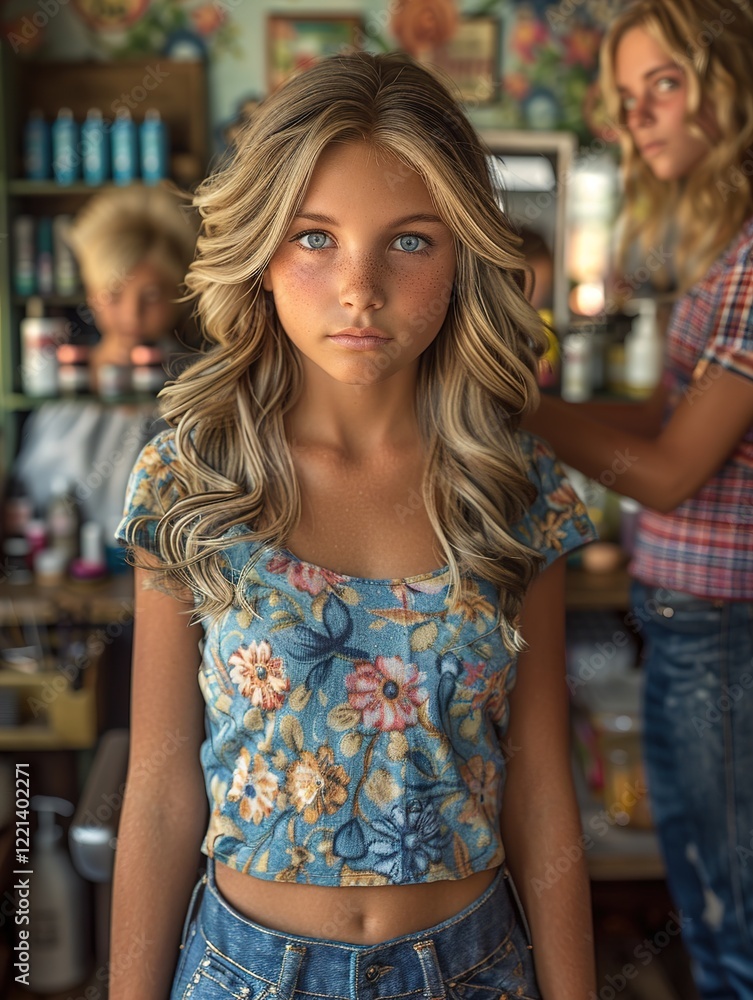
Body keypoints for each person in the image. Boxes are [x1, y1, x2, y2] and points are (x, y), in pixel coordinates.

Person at [111, 52, 599, 1000]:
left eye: (410, 241)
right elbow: (163, 795)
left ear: (463, 258)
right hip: (242, 972)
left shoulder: (515, 485)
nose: (359, 287)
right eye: (314, 237)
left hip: (473, 970)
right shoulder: (191, 476)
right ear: (258, 253)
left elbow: (542, 794)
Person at [524, 1, 753, 996]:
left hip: (722, 630)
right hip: (698, 623)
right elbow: (665, 415)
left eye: (664, 84)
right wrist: (553, 403)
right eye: (627, 99)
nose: (641, 117)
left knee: (725, 912)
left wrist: (515, 406)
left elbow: (668, 470)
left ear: (729, 77)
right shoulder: (724, 244)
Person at [12, 183, 196, 548]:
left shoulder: (199, 377)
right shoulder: (64, 380)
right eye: (114, 295)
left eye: (152, 295)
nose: (131, 314)